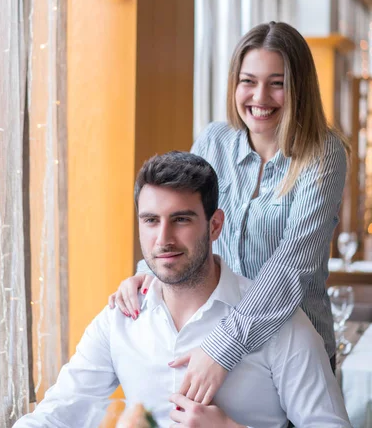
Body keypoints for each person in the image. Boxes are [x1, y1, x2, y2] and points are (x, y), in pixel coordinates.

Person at [13, 152, 351, 428]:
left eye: (182, 220)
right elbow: (56, 413)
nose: (163, 239)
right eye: (151, 220)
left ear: (215, 225)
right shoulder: (120, 318)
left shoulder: (280, 324)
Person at [110, 22, 349, 407]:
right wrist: (146, 271)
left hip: (292, 348)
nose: (260, 96)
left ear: (300, 87)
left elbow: (292, 265)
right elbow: (183, 214)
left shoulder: (323, 154)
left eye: (278, 83)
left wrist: (224, 347)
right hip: (212, 336)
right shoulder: (214, 140)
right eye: (248, 81)